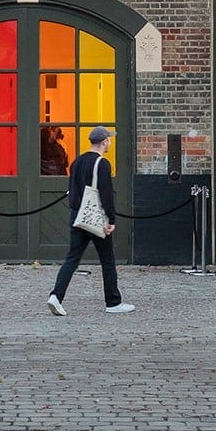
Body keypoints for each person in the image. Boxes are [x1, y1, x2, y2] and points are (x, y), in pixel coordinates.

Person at [47, 127, 135, 315]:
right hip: (96, 217)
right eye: (109, 139)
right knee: (107, 260)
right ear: (104, 142)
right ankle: (113, 302)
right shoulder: (102, 164)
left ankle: (56, 296)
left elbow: (72, 190)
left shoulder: (77, 162)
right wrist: (110, 219)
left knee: (72, 259)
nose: (110, 142)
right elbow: (106, 194)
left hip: (78, 216)